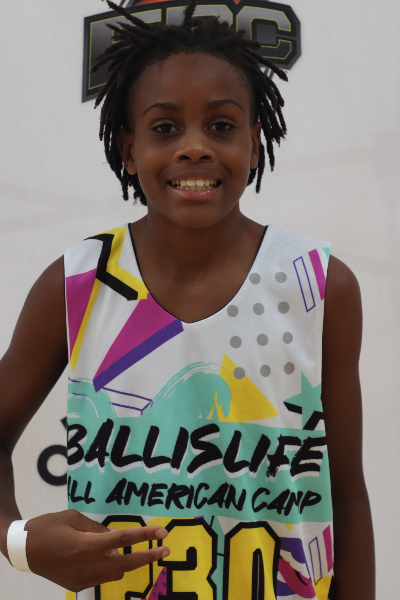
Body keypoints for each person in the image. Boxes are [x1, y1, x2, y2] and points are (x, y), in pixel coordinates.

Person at [0, 0, 375, 598]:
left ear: (255, 143)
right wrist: (18, 542)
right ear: (128, 149)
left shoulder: (319, 284)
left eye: (221, 126)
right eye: (165, 127)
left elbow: (347, 493)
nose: (194, 147)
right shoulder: (77, 284)